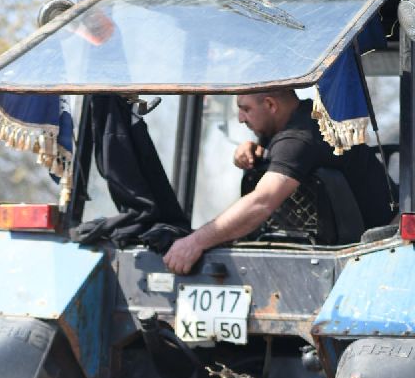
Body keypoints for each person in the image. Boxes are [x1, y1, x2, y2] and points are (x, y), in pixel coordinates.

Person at [164, 89, 392, 275]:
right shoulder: (303, 118)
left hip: (377, 249)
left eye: (245, 109)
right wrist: (259, 151)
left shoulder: (300, 137)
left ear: (271, 105)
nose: (240, 118)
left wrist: (195, 242)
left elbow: (262, 202)